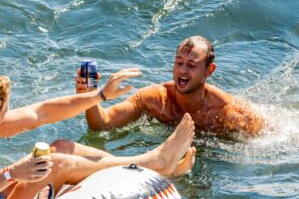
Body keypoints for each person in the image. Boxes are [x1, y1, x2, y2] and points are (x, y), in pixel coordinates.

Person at [0, 70, 196, 199]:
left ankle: (156, 165)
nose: (8, 114)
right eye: (4, 111)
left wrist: (100, 96)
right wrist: (11, 173)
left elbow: (43, 112)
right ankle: (154, 162)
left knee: (62, 146)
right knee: (56, 163)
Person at [78, 36, 265, 136]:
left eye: (192, 65)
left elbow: (265, 138)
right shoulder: (154, 99)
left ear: (209, 71)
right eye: (179, 62)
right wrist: (90, 95)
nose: (182, 71)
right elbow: (102, 124)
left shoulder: (226, 111)